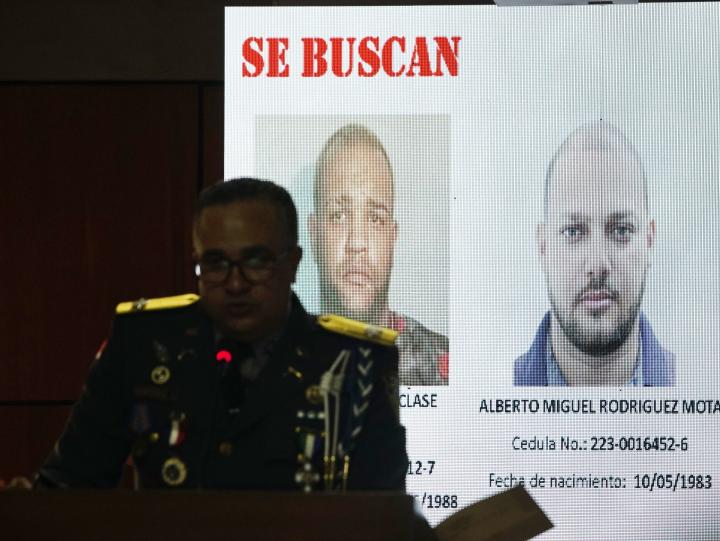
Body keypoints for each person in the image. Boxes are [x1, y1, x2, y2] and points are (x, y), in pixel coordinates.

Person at [36, 178, 407, 490]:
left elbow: (381, 512)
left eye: (255, 261)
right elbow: (70, 483)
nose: (235, 283)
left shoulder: (357, 361)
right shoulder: (143, 344)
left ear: (293, 264)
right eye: (215, 264)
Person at [514, 121, 675, 386]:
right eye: (573, 232)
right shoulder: (491, 391)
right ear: (542, 247)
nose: (598, 263)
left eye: (621, 230)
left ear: (649, 241)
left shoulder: (706, 384)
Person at [309, 124, 449, 386]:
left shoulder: (444, 367)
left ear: (393, 238)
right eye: (338, 216)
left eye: (375, 218)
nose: (358, 242)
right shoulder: (271, 368)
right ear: (314, 236)